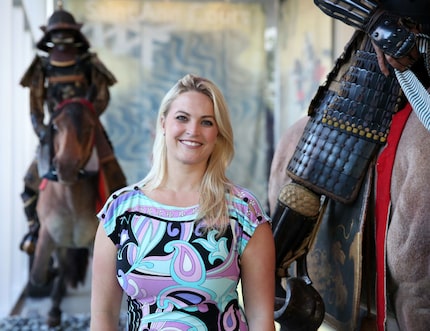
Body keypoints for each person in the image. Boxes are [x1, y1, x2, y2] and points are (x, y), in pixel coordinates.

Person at [90, 74, 276, 331]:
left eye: (207, 122)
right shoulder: (120, 212)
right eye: (182, 118)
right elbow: (103, 315)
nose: (193, 130)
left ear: (217, 133)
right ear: (163, 123)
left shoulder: (243, 212)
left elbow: (261, 318)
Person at [19, 6, 127, 254]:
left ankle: (121, 229)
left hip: (89, 127)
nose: (62, 38)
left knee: (116, 177)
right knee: (29, 182)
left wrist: (87, 116)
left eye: (66, 32)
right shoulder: (42, 66)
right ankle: (34, 229)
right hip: (55, 132)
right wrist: (44, 133)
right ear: (49, 36)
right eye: (57, 33)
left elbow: (102, 94)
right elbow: (35, 104)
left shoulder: (88, 62)